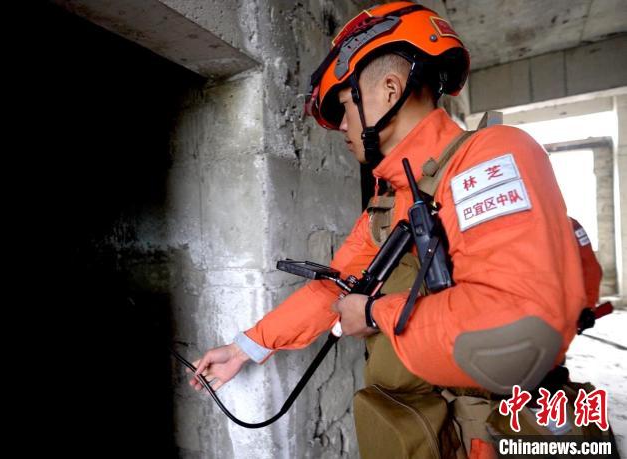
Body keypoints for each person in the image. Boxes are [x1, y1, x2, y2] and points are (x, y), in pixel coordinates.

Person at [188, 2, 591, 457]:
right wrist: (245, 348)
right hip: (437, 432)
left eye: (345, 105)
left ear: (390, 89)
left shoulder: (491, 157)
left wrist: (375, 313)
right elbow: (335, 287)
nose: (343, 125)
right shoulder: (392, 199)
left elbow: (518, 331)